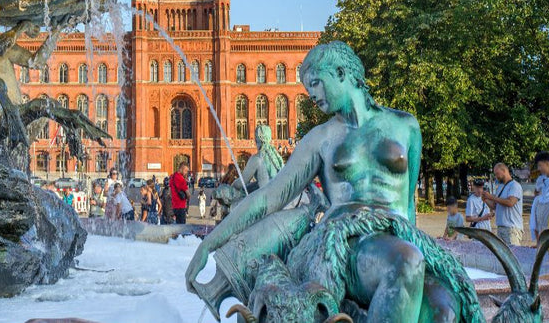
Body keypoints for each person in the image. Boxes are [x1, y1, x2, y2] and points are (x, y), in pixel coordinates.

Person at [185, 41, 481, 323]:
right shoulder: (321, 138)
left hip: (398, 237)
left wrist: (414, 241)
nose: (311, 94)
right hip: (346, 242)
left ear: (341, 73)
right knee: (405, 262)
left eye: (315, 82)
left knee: (444, 308)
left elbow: (407, 205)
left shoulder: (406, 126)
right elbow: (268, 197)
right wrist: (208, 244)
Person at [482, 163, 524, 246]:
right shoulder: (501, 187)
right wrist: (485, 199)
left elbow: (510, 202)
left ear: (504, 171)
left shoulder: (515, 186)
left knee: (512, 255)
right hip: (501, 228)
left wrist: (491, 197)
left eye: (497, 174)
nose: (496, 176)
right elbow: (494, 206)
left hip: (512, 229)